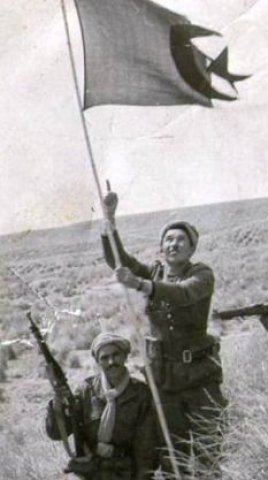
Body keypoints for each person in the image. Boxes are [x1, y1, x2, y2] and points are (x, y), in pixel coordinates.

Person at [101, 192, 225, 474]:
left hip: (200, 378)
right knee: (173, 454)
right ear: (161, 247)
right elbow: (117, 259)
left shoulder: (202, 274)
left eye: (181, 239)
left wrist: (143, 285)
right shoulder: (154, 272)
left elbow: (183, 293)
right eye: (168, 239)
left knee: (208, 451)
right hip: (164, 380)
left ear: (192, 248)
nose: (174, 244)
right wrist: (108, 220)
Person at [46, 332, 158, 480]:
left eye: (116, 354)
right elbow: (56, 433)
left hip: (125, 472)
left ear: (125, 356)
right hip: (88, 470)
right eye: (104, 358)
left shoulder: (141, 393)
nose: (111, 361)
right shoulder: (86, 390)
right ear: (98, 362)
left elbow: (146, 450)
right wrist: (58, 403)